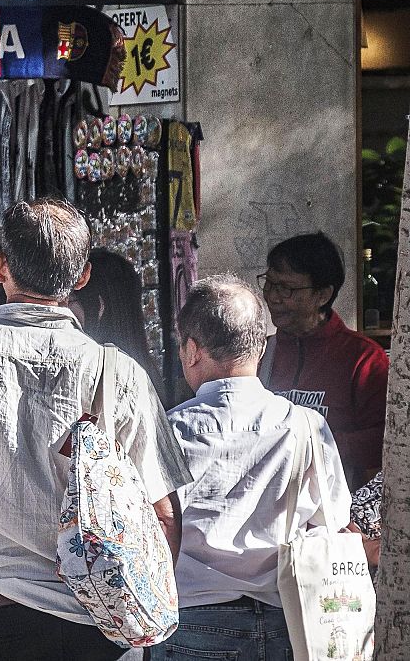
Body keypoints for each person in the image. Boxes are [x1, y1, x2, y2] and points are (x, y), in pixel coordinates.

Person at [0, 198, 190, 661]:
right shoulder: (118, 371)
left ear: (1, 267)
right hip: (95, 627)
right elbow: (164, 514)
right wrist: (135, 613)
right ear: (82, 276)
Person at [160, 274, 351, 660]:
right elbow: (335, 518)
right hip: (286, 620)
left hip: (193, 623)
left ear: (192, 350)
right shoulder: (305, 425)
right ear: (260, 349)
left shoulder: (171, 431)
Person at [259, 232, 388, 487]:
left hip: (334, 515)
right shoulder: (260, 353)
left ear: (323, 295)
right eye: (270, 283)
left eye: (286, 288)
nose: (273, 297)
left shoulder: (363, 359)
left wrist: (314, 444)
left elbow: (386, 441)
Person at [68, 248, 150, 369]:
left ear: (99, 305)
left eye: (69, 301)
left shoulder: (90, 368)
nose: (62, 308)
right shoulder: (144, 372)